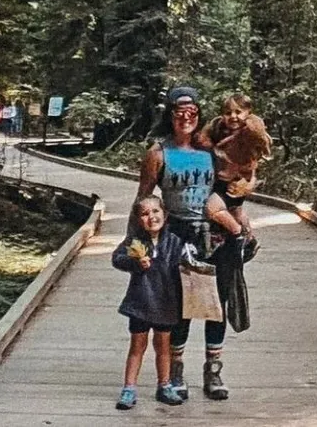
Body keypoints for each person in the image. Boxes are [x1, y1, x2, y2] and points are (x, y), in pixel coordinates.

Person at [137, 86, 241, 401]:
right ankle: (176, 371)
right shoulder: (158, 154)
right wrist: (139, 243)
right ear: (169, 115)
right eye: (179, 112)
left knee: (215, 306)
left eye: (192, 111)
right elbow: (143, 197)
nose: (186, 117)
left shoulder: (211, 152)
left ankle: (213, 371)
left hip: (214, 235)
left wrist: (240, 227)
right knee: (179, 307)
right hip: (175, 236)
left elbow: (234, 189)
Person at [111, 196, 185, 410]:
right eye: (145, 214)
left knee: (163, 346)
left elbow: (187, 261)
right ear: (138, 219)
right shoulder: (135, 240)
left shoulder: (174, 241)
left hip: (166, 302)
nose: (151, 217)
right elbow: (117, 258)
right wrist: (134, 262)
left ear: (165, 214)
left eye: (155, 211)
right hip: (141, 302)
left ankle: (164, 385)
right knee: (137, 346)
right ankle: (129, 388)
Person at [197, 93, 271, 244]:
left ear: (248, 113)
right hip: (221, 178)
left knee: (212, 208)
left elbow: (259, 136)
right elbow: (203, 140)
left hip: (237, 181)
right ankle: (249, 238)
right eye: (228, 113)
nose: (233, 116)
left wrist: (251, 121)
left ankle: (238, 233)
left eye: (238, 112)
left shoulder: (248, 131)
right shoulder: (219, 128)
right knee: (235, 210)